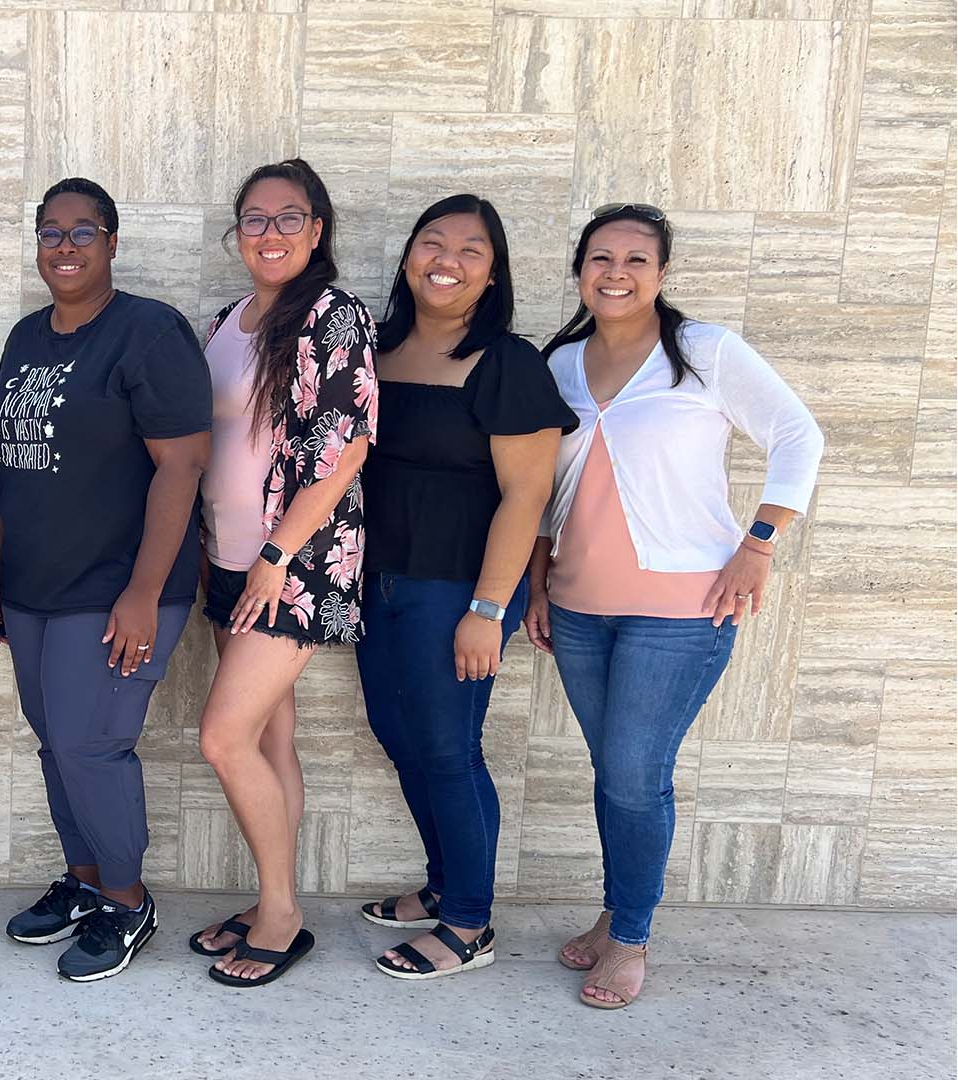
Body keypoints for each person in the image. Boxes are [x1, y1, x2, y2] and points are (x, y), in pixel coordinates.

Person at [526, 204, 824, 1010]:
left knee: (633, 775)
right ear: (579, 269)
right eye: (599, 257)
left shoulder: (703, 353)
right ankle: (618, 912)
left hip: (682, 610)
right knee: (615, 774)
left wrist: (757, 543)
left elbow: (799, 437)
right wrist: (536, 581)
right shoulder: (558, 364)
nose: (615, 272)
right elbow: (539, 488)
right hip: (581, 608)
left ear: (662, 273)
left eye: (635, 259)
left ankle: (630, 939)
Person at [0, 178, 213, 982]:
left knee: (91, 744)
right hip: (34, 586)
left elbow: (182, 464)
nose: (67, 247)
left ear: (113, 243)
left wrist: (145, 592)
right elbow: (10, 462)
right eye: (52, 232)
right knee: (59, 745)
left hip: (119, 586)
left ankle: (126, 896)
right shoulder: (24, 337)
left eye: (84, 233)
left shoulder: (148, 332)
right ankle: (83, 882)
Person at [353, 194, 577, 981]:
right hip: (377, 585)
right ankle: (445, 882)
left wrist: (487, 610)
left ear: (493, 274)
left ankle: (470, 923)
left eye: (471, 250)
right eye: (432, 242)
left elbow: (527, 495)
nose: (447, 259)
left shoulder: (508, 363)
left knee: (449, 750)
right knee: (399, 736)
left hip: (461, 590)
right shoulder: (375, 349)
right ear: (409, 255)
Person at [189, 160, 377, 987]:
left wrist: (274, 557)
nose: (270, 233)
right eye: (255, 219)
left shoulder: (333, 315)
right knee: (270, 735)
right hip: (228, 559)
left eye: (288, 217)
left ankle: (281, 917)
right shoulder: (228, 320)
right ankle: (276, 894)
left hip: (293, 565)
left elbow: (344, 452)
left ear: (318, 229)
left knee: (222, 737)